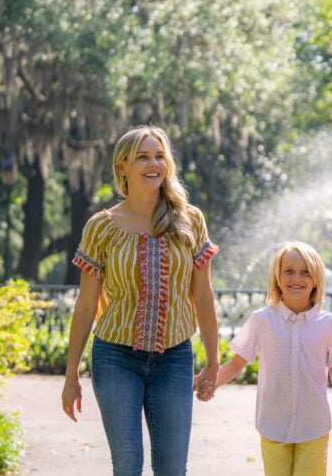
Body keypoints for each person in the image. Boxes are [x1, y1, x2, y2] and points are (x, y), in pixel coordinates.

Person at [61, 125, 221, 476]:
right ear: (123, 167)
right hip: (115, 357)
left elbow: (203, 297)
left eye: (159, 156)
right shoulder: (101, 227)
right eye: (143, 157)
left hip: (174, 359)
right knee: (128, 465)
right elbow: (86, 305)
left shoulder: (190, 220)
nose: (154, 164)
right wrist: (71, 374)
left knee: (171, 468)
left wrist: (213, 361)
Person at [197, 241, 332, 475]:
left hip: (313, 427)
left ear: (316, 279)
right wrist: (210, 383)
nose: (297, 278)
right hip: (273, 426)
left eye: (305, 272)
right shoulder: (262, 320)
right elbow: (236, 364)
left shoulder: (329, 324)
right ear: (277, 278)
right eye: (289, 271)